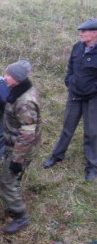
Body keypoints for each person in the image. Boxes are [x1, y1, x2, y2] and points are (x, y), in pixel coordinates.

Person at [43, 19, 97, 182]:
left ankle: (92, 166)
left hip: (93, 97)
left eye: (84, 31)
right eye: (80, 31)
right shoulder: (77, 47)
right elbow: (70, 67)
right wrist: (69, 81)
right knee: (67, 127)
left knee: (92, 132)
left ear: (95, 33)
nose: (80, 34)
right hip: (74, 95)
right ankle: (57, 156)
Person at [0, 60, 41, 234]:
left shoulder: (25, 102)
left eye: (8, 75)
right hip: (19, 145)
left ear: (17, 79)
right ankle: (13, 203)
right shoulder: (21, 91)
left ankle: (20, 216)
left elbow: (27, 133)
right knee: (14, 179)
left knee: (7, 182)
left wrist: (17, 159)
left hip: (21, 149)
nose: (5, 77)